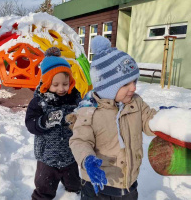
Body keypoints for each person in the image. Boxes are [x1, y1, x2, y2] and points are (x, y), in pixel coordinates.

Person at [68, 36, 157, 200]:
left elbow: (150, 121)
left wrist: (168, 120)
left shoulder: (136, 103)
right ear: (107, 88)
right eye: (125, 84)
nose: (134, 88)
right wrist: (87, 159)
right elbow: (79, 141)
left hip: (129, 185)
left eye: (134, 81)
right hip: (97, 186)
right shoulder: (89, 111)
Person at [25, 47, 82, 200]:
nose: (61, 88)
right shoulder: (39, 101)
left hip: (70, 155)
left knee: (75, 185)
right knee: (44, 188)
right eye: (55, 85)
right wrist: (45, 121)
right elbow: (30, 124)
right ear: (46, 83)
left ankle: (73, 194)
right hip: (47, 157)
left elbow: (85, 118)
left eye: (65, 83)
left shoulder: (75, 99)